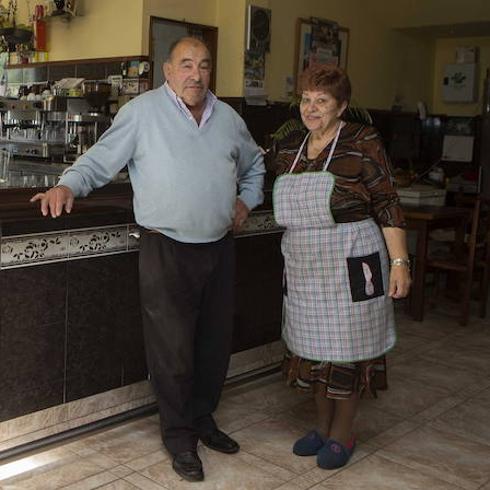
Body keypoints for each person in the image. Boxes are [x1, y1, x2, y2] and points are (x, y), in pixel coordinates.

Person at [31, 37, 265, 482]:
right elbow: (100, 160)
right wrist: (66, 185)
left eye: (204, 66)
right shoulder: (142, 113)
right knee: (172, 350)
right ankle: (179, 437)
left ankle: (202, 419)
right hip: (166, 247)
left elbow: (255, 167)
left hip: (218, 247)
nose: (196, 74)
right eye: (186, 65)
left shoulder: (230, 119)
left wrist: (248, 201)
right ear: (168, 71)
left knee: (214, 345)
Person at [272, 65, 410, 470]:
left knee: (347, 351)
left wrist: (400, 262)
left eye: (322, 101)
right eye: (306, 99)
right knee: (315, 351)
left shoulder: (361, 140)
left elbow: (386, 199)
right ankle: (320, 426)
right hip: (304, 266)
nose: (311, 108)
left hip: (352, 258)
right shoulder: (290, 147)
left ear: (342, 106)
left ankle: (342, 432)